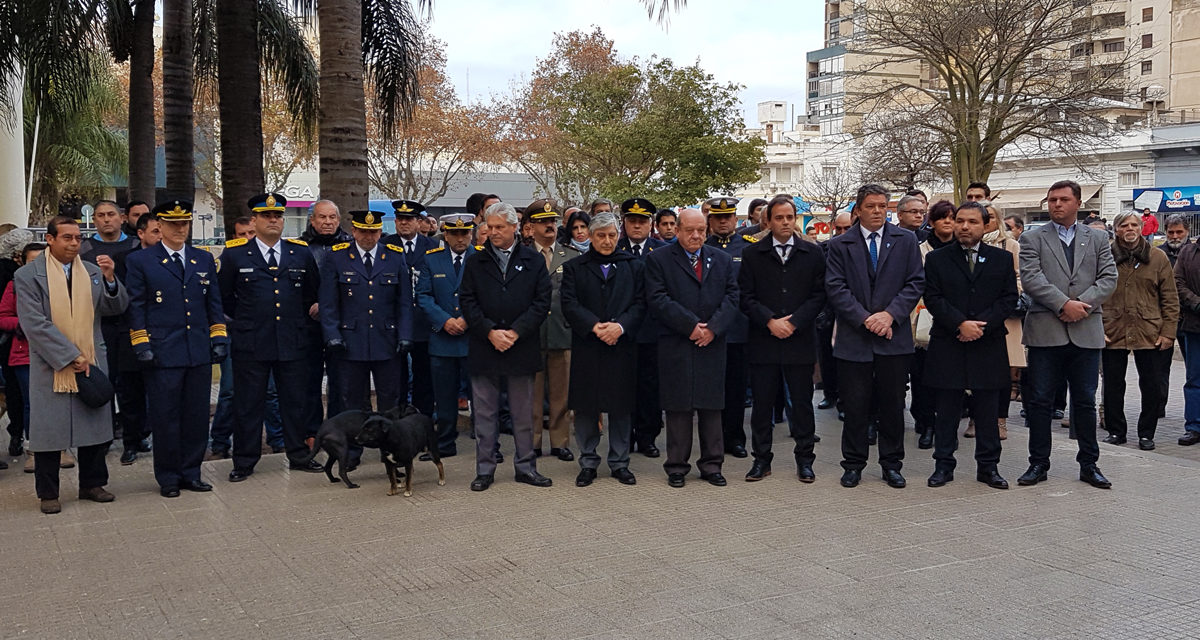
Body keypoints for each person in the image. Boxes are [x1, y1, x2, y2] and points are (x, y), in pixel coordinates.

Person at [17, 216, 128, 513]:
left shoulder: (91, 271)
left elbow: (115, 308)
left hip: (90, 359)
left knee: (92, 426)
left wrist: (110, 280)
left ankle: (92, 484)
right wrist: (70, 356)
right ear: (50, 240)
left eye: (78, 238)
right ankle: (49, 493)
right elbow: (34, 324)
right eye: (67, 238)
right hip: (51, 364)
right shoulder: (28, 276)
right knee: (49, 434)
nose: (74, 243)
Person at [1018, 180, 1118, 489]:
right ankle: (1038, 464)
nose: (1056, 205)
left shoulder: (1099, 238)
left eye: (1063, 199)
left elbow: (1108, 278)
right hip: (1046, 330)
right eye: (1051, 200)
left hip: (1085, 330)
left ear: (1078, 203)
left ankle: (1089, 464)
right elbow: (1031, 278)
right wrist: (1063, 304)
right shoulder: (1032, 238)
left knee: (1085, 401)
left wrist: (1081, 305)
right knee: (1039, 401)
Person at [218, 193, 323, 482]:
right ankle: (245, 460)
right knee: (248, 403)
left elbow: (312, 295)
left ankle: (299, 455)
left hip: (292, 340)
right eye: (266, 216)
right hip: (251, 341)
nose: (273, 220)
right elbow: (224, 297)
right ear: (255, 220)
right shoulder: (235, 254)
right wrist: (244, 323)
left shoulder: (300, 252)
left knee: (294, 401)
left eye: (277, 216)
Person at [825, 184, 924, 489]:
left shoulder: (905, 240)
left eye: (883, 206)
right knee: (855, 405)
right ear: (859, 210)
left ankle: (891, 464)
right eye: (871, 206)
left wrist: (889, 315)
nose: (878, 211)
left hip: (893, 337)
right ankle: (853, 464)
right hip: (855, 339)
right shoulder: (841, 244)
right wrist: (865, 318)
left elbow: (915, 282)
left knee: (892, 405)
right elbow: (835, 287)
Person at [126, 200, 227, 498]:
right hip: (163, 351)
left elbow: (214, 304)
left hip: (197, 350)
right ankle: (168, 476)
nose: (180, 229)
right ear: (160, 226)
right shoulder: (141, 261)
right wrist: (141, 342)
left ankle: (191, 472)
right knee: (166, 416)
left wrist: (219, 337)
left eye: (184, 223)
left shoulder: (202, 259)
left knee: (196, 416)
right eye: (173, 224)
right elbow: (137, 305)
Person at [922, 202, 1018, 489]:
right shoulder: (938, 259)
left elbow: (1008, 298)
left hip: (987, 343)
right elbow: (933, 297)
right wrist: (959, 324)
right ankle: (943, 465)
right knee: (948, 409)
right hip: (949, 342)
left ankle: (988, 468)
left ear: (985, 225)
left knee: (987, 410)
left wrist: (980, 326)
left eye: (972, 222)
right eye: (960, 221)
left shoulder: (1000, 259)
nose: (964, 226)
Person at [459, 201, 552, 491]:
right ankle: (485, 469)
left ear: (515, 227)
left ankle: (526, 467)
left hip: (520, 345)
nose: (494, 232)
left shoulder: (533, 260)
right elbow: (467, 301)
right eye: (489, 227)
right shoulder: (475, 261)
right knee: (485, 414)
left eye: (500, 227)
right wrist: (489, 331)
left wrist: (515, 332)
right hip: (485, 345)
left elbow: (542, 302)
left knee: (523, 413)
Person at [645, 208, 739, 488]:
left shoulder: (721, 260)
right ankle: (676, 466)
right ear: (678, 229)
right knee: (678, 406)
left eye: (701, 230)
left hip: (713, 341)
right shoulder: (658, 260)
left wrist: (713, 328)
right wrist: (691, 327)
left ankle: (712, 464)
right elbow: (657, 298)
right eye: (690, 230)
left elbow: (733, 296)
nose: (696, 235)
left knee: (711, 405)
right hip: (676, 342)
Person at [738, 195, 826, 482]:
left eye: (790, 217)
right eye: (779, 218)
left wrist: (796, 322)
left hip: (799, 340)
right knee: (763, 405)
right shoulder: (753, 254)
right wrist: (769, 321)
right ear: (768, 221)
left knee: (801, 403)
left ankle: (805, 459)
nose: (785, 222)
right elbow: (745, 297)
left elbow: (819, 295)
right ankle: (762, 459)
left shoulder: (811, 253)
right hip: (764, 340)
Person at [561, 212, 645, 486]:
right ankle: (588, 461)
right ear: (591, 237)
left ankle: (620, 462)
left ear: (618, 235)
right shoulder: (576, 267)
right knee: (586, 407)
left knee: (621, 406)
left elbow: (641, 303)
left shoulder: (633, 266)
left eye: (611, 235)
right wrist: (596, 327)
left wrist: (619, 327)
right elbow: (570, 303)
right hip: (589, 345)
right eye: (601, 236)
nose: (607, 241)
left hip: (621, 345)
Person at [318, 209, 412, 417]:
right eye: (363, 231)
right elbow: (328, 303)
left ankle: (390, 447)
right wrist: (332, 335)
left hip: (387, 340)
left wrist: (405, 335)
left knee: (390, 398)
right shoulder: (336, 257)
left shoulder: (394, 257)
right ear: (353, 231)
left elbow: (404, 302)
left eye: (373, 232)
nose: (368, 237)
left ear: (380, 232)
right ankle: (352, 449)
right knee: (351, 400)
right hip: (350, 341)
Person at [1100, 211, 1178, 451]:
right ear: (1116, 229)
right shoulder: (1104, 256)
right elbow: (1094, 293)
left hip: (1150, 330)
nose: (1130, 229)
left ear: (1142, 228)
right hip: (1111, 329)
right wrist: (1095, 328)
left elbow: (1170, 298)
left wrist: (1168, 332)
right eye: (1124, 225)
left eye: (1135, 224)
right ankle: (1116, 431)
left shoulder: (1158, 257)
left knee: (1152, 385)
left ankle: (1147, 433)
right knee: (1113, 385)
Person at [79, 200, 141, 458]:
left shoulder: (135, 247)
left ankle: (133, 440)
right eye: (101, 215)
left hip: (130, 326)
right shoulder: (84, 249)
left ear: (122, 218)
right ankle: (100, 439)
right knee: (102, 383)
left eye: (111, 215)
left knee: (131, 387)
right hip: (98, 326)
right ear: (94, 220)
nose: (107, 219)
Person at [416, 214, 477, 458]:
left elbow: (488, 294)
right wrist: (445, 321)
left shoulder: (481, 258)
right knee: (444, 396)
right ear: (445, 234)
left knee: (481, 397)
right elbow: (423, 295)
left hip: (474, 339)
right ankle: (444, 443)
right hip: (443, 338)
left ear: (471, 234)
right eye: (455, 233)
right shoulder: (432, 260)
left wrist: (467, 319)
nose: (460, 238)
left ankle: (488, 445)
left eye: (465, 233)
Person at [525, 199, 579, 460]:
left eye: (553, 221)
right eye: (543, 221)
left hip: (562, 331)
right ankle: (533, 442)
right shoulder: (523, 256)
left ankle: (560, 442)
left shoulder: (571, 256)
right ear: (530, 226)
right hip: (531, 334)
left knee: (562, 392)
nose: (550, 226)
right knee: (532, 394)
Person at [703, 196, 753, 458]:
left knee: (735, 389)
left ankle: (734, 437)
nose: (723, 221)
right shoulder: (701, 246)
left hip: (737, 330)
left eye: (728, 217)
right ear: (710, 220)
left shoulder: (749, 247)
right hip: (708, 329)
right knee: (711, 388)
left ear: (736, 219)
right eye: (717, 217)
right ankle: (712, 439)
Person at [619, 199, 668, 456]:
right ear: (624, 223)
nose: (637, 225)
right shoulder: (613, 248)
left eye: (642, 221)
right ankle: (624, 437)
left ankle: (648, 437)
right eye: (632, 221)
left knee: (651, 387)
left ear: (651, 224)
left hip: (652, 329)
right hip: (622, 330)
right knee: (625, 386)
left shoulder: (662, 251)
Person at [909, 200, 957, 450]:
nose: (947, 222)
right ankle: (926, 423)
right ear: (932, 222)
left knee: (951, 378)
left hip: (956, 320)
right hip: (924, 318)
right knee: (922, 377)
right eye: (942, 218)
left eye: (952, 217)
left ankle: (947, 427)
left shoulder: (963, 249)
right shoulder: (919, 250)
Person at [299, 199, 352, 423]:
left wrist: (328, 305)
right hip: (308, 323)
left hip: (341, 324)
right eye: (322, 217)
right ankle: (311, 432)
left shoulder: (351, 245)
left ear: (339, 220)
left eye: (332, 217)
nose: (327, 222)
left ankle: (337, 428)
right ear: (312, 220)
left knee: (340, 383)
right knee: (309, 381)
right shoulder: (299, 248)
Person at [113, 214, 160, 465]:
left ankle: (147, 434)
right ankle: (131, 442)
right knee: (130, 392)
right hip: (131, 332)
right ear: (140, 234)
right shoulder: (125, 260)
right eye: (155, 231)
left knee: (159, 391)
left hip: (162, 334)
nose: (160, 236)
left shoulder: (172, 259)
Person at [385, 200, 437, 417]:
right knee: (396, 378)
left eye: (409, 219)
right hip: (394, 322)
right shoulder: (385, 245)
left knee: (424, 376)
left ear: (419, 222)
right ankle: (399, 419)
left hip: (423, 322)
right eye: (400, 219)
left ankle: (422, 419)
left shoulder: (432, 247)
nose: (404, 223)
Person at [0, 243, 45, 473]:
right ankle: (33, 448)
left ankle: (59, 446)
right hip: (23, 352)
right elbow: (3, 317)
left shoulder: (59, 282)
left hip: (54, 352)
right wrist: (27, 325)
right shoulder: (14, 285)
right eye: (32, 261)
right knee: (31, 402)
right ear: (22, 263)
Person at [0, 227, 34, 457]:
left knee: (17, 394)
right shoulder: (11, 279)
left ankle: (17, 436)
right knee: (20, 393)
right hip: (14, 343)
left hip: (14, 343)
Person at [816, 212, 852, 416]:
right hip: (828, 311)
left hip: (850, 311)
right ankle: (829, 393)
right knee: (826, 355)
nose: (841, 233)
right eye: (838, 228)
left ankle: (844, 400)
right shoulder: (824, 249)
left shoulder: (858, 248)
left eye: (846, 228)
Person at [1175, 227, 1200, 446]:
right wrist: (1196, 303)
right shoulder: (1188, 252)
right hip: (1195, 324)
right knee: (1195, 379)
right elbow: (1178, 282)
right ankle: (1194, 426)